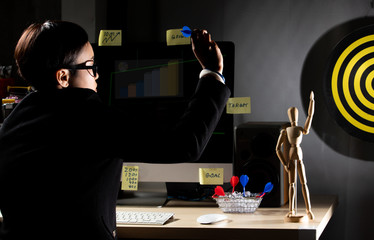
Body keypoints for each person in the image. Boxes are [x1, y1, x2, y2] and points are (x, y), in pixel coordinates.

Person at [0, 20, 230, 240]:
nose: (97, 74)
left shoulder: (12, 122)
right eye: (90, 66)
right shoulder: (87, 116)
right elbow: (184, 145)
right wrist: (212, 72)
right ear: (63, 77)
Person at [276, 92, 315, 221]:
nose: (294, 117)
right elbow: (277, 149)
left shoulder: (299, 128)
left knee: (304, 183)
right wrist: (284, 163)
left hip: (299, 157)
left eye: (295, 114)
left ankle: (308, 210)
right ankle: (291, 209)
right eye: (292, 115)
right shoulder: (285, 131)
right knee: (292, 184)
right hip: (292, 159)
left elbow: (309, 118)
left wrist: (312, 102)